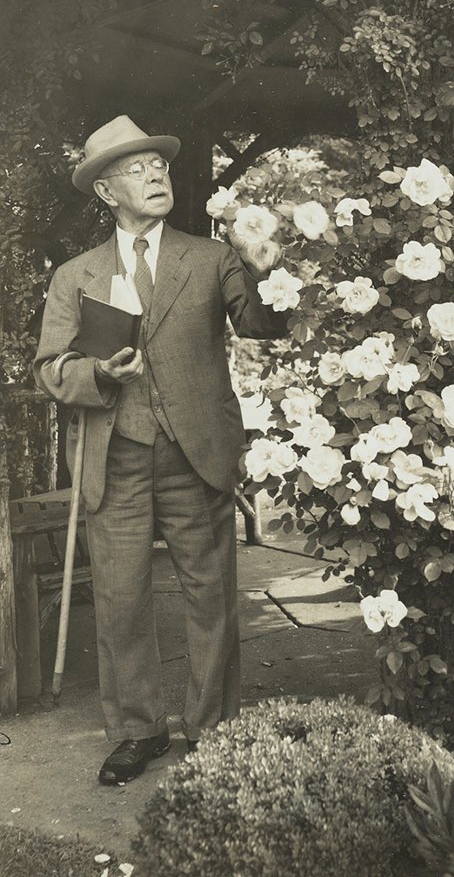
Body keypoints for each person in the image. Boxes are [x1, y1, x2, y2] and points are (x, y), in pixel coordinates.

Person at [34, 115, 285, 785]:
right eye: (137, 169)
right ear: (107, 191)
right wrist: (98, 376)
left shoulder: (209, 257)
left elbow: (261, 322)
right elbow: (50, 369)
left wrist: (266, 268)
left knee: (210, 597)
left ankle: (213, 732)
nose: (155, 175)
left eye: (160, 166)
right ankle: (138, 732)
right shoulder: (75, 275)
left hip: (194, 453)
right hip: (113, 457)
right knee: (120, 599)